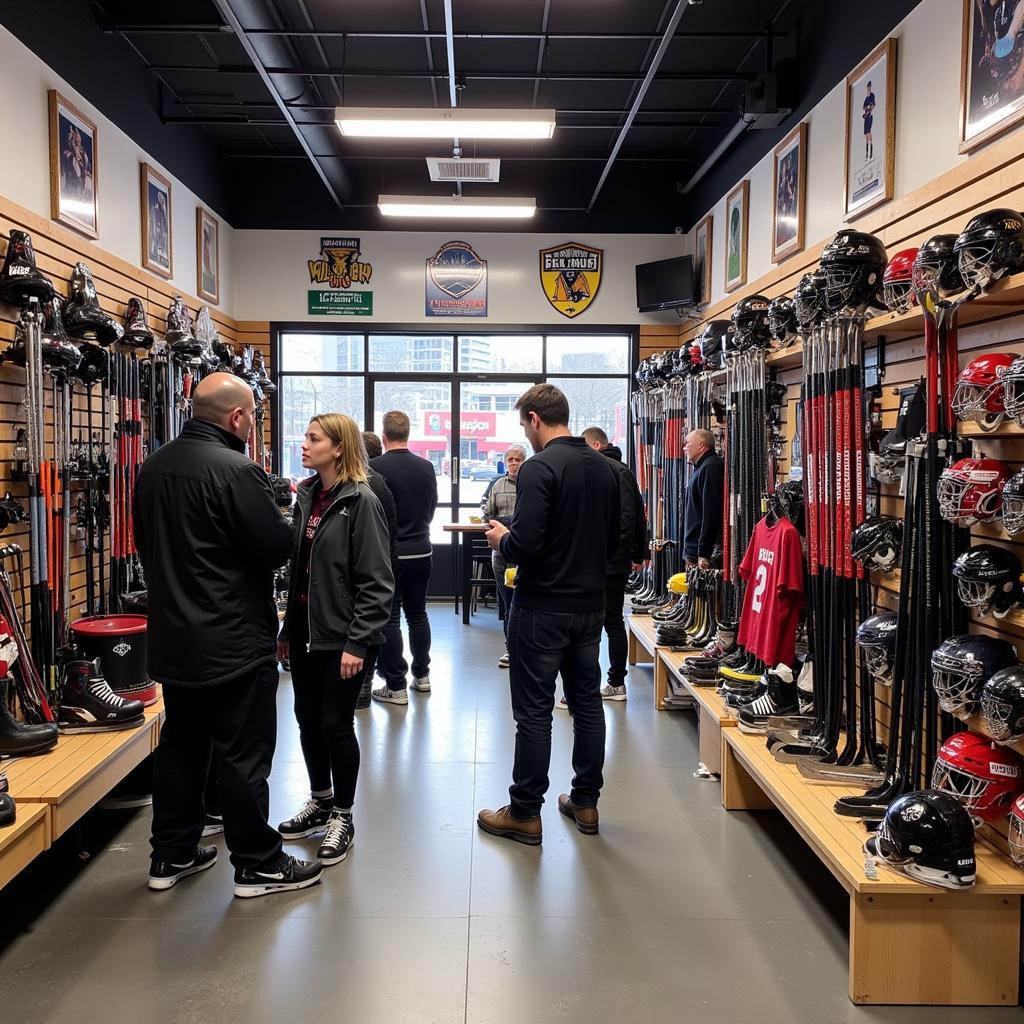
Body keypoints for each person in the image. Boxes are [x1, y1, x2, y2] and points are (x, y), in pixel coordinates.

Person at [134, 373, 322, 899]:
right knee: (242, 751)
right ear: (238, 417)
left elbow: (146, 547)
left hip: (173, 637)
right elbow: (276, 548)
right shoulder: (238, 471)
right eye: (253, 416)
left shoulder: (152, 467)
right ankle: (257, 863)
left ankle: (169, 857)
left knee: (181, 745)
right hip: (233, 639)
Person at [479, 385, 619, 845]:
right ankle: (585, 801)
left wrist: (502, 538)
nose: (526, 434)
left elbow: (526, 544)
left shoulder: (539, 467)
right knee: (586, 705)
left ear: (536, 419)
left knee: (534, 713)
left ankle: (524, 813)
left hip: (542, 607)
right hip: (590, 607)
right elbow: (617, 539)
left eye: (524, 424)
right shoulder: (605, 467)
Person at [276, 414, 394, 866]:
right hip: (306, 631)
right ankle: (320, 800)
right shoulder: (308, 496)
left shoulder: (360, 501)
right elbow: (301, 570)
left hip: (342, 637)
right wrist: (288, 627)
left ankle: (343, 815)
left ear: (338, 447)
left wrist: (359, 643)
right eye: (305, 436)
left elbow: (377, 581)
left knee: (336, 724)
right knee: (306, 719)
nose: (304, 444)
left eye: (313, 438)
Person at [573, 426, 648, 703]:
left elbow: (631, 517)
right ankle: (589, 683)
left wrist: (628, 555)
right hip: (601, 559)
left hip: (609, 562)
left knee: (610, 621)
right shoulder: (613, 469)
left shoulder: (615, 470)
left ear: (595, 445)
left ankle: (615, 682)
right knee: (598, 621)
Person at [369, 411, 438, 705]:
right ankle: (422, 676)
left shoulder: (373, 468)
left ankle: (395, 686)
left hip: (389, 554)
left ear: (383, 437)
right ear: (408, 433)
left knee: (390, 618)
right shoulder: (426, 467)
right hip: (423, 550)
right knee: (418, 613)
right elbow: (432, 507)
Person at [357, 430, 400, 709]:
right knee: (403, 618)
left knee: (380, 623)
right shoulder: (315, 487)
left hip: (373, 569)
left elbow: (388, 535)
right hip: (407, 555)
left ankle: (367, 683)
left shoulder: (374, 483)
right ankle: (403, 679)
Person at [481, 443, 527, 669]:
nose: (514, 463)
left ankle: (526, 648)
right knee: (508, 604)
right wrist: (507, 525)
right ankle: (511, 649)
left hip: (524, 555)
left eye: (518, 459)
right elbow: (487, 515)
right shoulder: (497, 485)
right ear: (505, 462)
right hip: (500, 555)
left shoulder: (531, 484)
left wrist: (508, 525)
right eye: (510, 459)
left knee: (524, 603)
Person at [683, 428, 725, 571]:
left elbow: (710, 512)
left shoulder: (710, 468)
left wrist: (704, 553)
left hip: (701, 554)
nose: (684, 448)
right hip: (695, 550)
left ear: (701, 446)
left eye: (688, 443)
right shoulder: (701, 468)